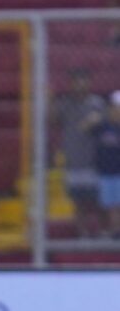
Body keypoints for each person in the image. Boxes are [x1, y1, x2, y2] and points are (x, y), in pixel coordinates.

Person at [50, 68, 105, 237]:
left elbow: (109, 123)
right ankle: (82, 233)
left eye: (83, 80)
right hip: (73, 160)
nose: (80, 84)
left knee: (98, 200)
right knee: (78, 201)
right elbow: (53, 120)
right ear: (71, 83)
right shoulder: (65, 103)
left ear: (89, 82)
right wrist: (49, 101)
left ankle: (101, 232)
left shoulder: (97, 103)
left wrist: (98, 120)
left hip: (95, 160)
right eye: (76, 81)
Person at [89, 90, 120, 237]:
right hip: (105, 172)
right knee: (107, 205)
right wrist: (94, 119)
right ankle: (110, 231)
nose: (117, 111)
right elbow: (84, 128)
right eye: (115, 108)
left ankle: (116, 231)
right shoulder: (103, 126)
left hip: (118, 172)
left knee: (116, 205)